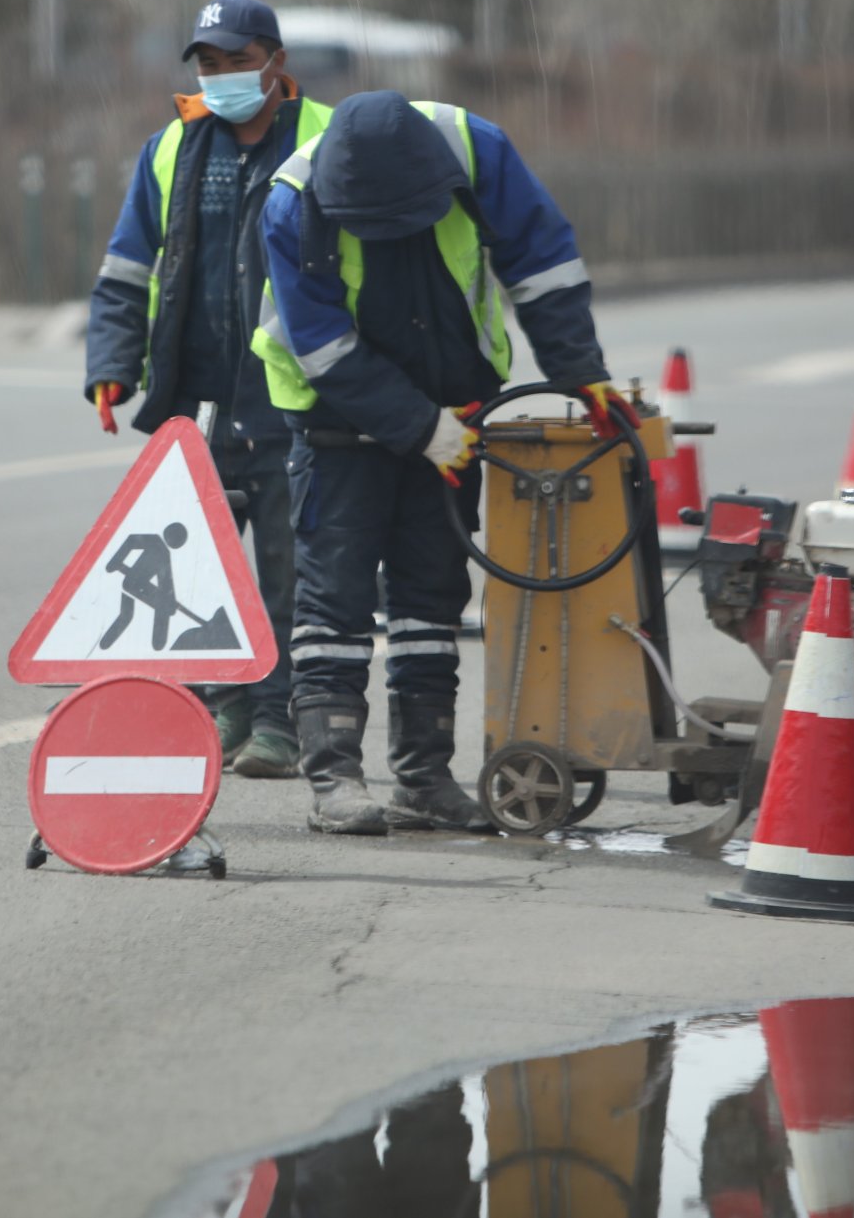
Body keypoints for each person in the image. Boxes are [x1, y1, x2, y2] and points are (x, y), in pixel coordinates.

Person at [252, 91, 631, 835]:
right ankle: (334, 777)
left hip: (456, 411)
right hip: (338, 424)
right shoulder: (294, 203)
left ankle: (423, 778)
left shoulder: (477, 152)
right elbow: (321, 343)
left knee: (432, 595)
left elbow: (543, 265)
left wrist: (578, 369)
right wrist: (420, 428)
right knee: (335, 600)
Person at [85, 0, 332, 780]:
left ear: (276, 63)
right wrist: (112, 363)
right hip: (197, 401)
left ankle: (278, 721)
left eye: (237, 62)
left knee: (288, 576)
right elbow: (128, 265)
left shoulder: (328, 138)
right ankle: (223, 706)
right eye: (208, 65)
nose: (221, 78)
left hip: (293, 401)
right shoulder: (173, 148)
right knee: (197, 573)